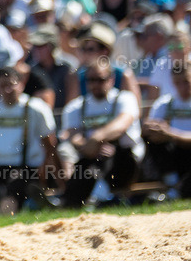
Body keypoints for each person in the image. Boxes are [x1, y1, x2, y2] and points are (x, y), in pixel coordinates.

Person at [0, 67, 59, 214]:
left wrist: (46, 175)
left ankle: (4, 211)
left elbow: (49, 145)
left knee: (11, 192)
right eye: (2, 85)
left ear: (21, 84)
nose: (7, 90)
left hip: (25, 168)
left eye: (11, 84)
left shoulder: (36, 108)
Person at [59, 61, 144, 207]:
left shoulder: (124, 99)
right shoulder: (76, 106)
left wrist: (96, 139)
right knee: (84, 166)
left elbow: (122, 124)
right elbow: (73, 134)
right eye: (91, 80)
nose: (95, 84)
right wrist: (87, 146)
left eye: (100, 79)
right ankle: (69, 202)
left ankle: (99, 199)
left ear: (111, 79)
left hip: (124, 158)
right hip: (91, 155)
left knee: (110, 158)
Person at [142, 63, 191, 198]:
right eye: (177, 83)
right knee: (151, 137)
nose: (182, 87)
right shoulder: (165, 103)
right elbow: (148, 127)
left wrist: (170, 134)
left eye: (186, 82)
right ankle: (171, 181)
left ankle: (176, 188)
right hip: (174, 154)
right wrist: (156, 129)